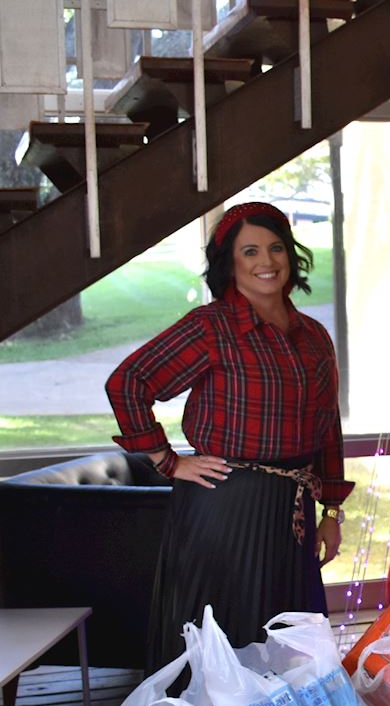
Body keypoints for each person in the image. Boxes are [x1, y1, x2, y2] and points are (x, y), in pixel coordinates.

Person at [106, 201, 353, 671]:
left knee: (294, 645)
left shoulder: (315, 336)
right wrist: (169, 460)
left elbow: (327, 426)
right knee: (225, 642)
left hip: (294, 512)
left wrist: (332, 510)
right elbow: (128, 382)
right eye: (251, 252)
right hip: (224, 507)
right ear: (230, 263)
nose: (267, 262)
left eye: (276, 248)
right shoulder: (211, 328)